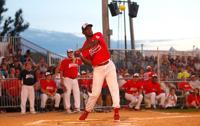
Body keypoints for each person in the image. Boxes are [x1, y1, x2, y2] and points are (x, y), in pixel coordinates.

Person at [76, 23, 120, 121]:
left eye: (90, 28)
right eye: (87, 29)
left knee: (114, 88)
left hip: (109, 65)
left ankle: (116, 111)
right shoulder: (84, 47)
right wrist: (81, 56)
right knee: (95, 93)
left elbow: (94, 43)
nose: (90, 30)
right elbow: (88, 62)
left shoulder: (97, 34)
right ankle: (87, 112)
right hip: (98, 69)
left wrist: (81, 50)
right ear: (83, 32)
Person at [60, 49, 82, 113]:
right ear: (67, 54)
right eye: (69, 53)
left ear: (73, 53)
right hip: (67, 79)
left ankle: (77, 108)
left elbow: (81, 61)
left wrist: (78, 54)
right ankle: (67, 108)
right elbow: (61, 70)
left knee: (77, 93)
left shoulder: (77, 60)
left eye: (71, 52)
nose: (70, 53)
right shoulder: (64, 61)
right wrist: (61, 80)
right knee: (67, 93)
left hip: (75, 79)